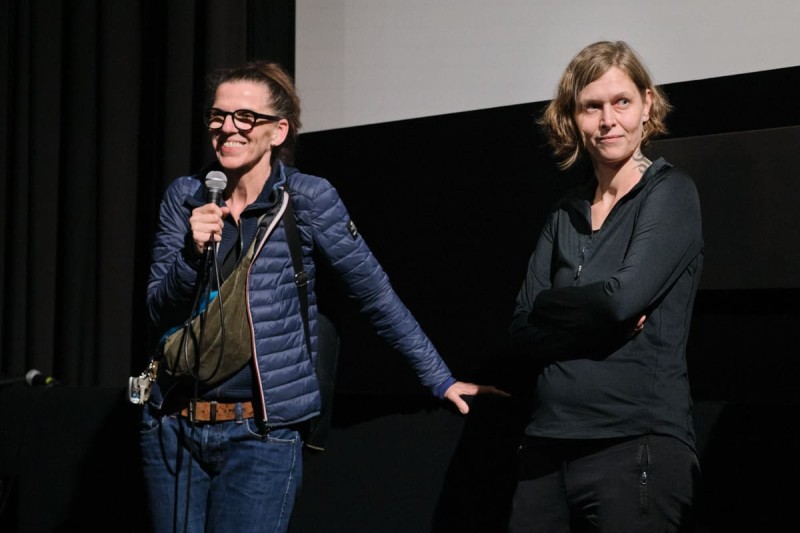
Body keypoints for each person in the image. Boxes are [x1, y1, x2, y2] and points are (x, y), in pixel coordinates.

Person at [139, 60, 506, 533]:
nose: (227, 128)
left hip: (260, 434)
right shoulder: (186, 197)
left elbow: (376, 295)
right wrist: (192, 255)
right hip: (172, 427)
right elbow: (157, 310)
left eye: (245, 117)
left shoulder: (308, 199)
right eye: (218, 116)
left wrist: (440, 379)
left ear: (278, 131)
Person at [507, 41, 703, 532]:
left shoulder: (670, 194)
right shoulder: (563, 214)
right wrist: (593, 318)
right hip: (546, 448)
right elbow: (521, 328)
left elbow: (621, 302)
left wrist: (562, 310)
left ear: (647, 106)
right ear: (572, 119)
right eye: (592, 106)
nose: (608, 119)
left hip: (634, 444)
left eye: (621, 102)